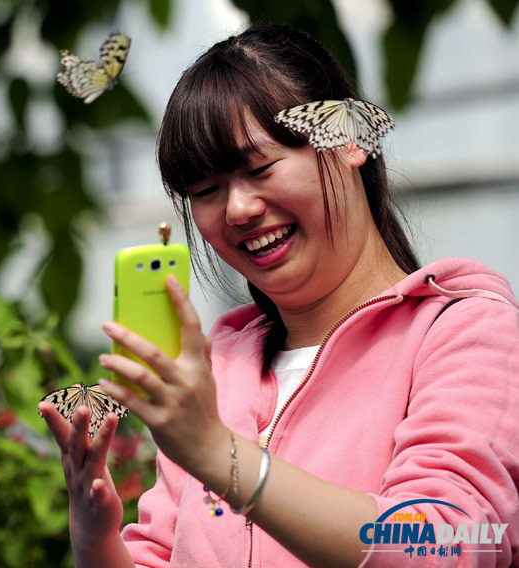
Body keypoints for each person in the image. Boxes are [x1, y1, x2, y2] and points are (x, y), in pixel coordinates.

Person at [39, 25, 519, 567]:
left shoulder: (468, 334)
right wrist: (97, 538)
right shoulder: (219, 369)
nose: (239, 208)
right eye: (206, 190)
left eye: (261, 168)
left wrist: (222, 458)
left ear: (351, 139)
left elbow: (449, 543)